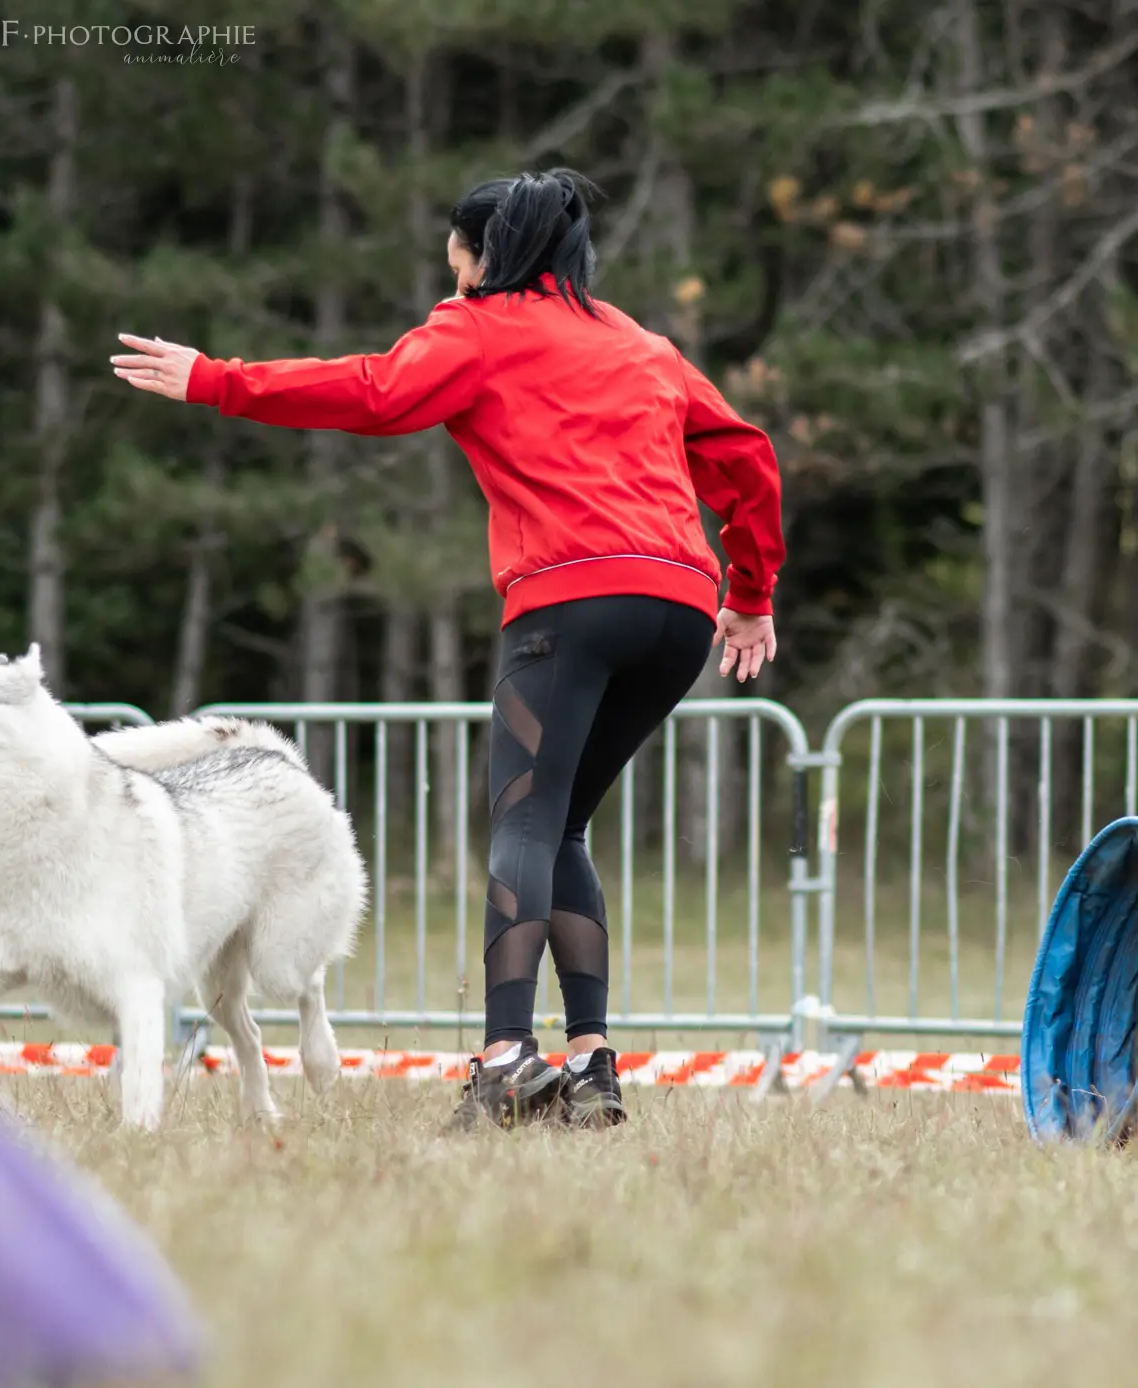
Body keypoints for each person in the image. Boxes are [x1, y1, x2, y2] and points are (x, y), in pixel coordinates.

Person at [108, 168, 785, 1130]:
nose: (450, 270)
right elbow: (746, 456)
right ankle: (591, 1063)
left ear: (480, 255)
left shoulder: (476, 327)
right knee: (561, 826)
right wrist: (750, 596)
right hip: (679, 605)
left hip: (570, 598)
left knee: (519, 817)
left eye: (454, 253)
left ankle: (507, 1057)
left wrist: (216, 379)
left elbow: (375, 391)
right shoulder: (643, 344)